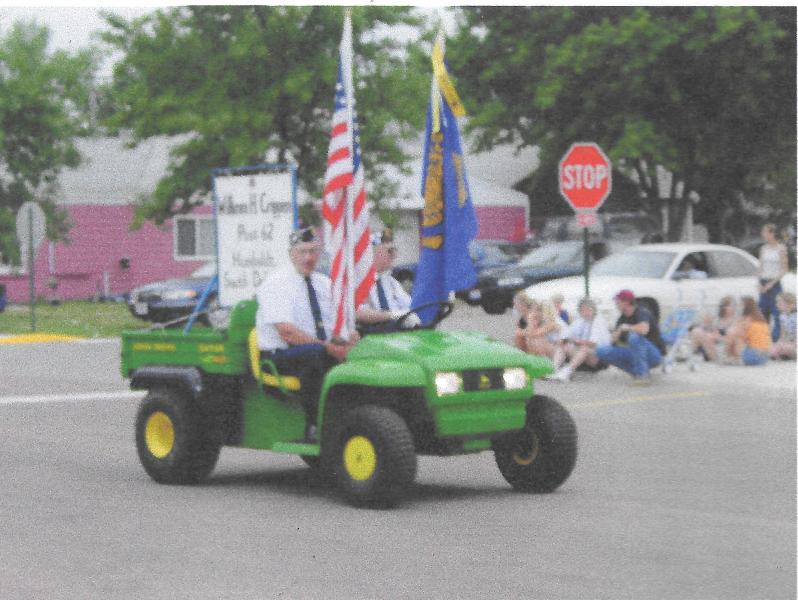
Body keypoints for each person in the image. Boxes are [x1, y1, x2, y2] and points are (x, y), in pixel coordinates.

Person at [255, 226, 358, 442]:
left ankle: (358, 422)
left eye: (313, 251)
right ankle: (315, 426)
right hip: (279, 356)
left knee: (360, 350)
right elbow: (287, 333)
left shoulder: (325, 284)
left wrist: (348, 338)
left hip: (317, 349)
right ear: (291, 254)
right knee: (315, 355)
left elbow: (337, 324)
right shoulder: (276, 284)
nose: (308, 258)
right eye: (302, 252)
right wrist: (329, 347)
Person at [595, 289, 665, 385]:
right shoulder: (622, 318)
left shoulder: (642, 312)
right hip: (634, 353)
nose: (616, 304)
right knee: (601, 350)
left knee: (634, 337)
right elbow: (612, 341)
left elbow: (644, 330)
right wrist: (619, 330)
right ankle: (636, 372)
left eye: (618, 302)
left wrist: (628, 327)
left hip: (653, 354)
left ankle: (642, 375)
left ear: (626, 302)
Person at [355, 228, 416, 331]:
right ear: (374, 252)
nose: (394, 255)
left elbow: (410, 306)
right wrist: (392, 315)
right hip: (370, 334)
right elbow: (357, 313)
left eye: (394, 251)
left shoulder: (391, 282)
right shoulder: (358, 282)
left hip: (396, 333)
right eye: (390, 251)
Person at [550, 297, 611, 381]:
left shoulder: (598, 321)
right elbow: (566, 334)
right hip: (584, 357)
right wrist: (563, 340)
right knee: (564, 345)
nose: (586, 312)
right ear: (579, 311)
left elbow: (593, 343)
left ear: (594, 310)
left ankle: (566, 373)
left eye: (588, 309)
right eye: (583, 310)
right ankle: (553, 369)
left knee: (585, 347)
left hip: (600, 359)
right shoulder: (580, 321)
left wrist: (575, 341)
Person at [758, 224, 788, 341]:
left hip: (774, 283)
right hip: (763, 282)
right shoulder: (763, 249)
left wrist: (772, 283)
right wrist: (759, 282)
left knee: (777, 312)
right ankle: (763, 338)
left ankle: (776, 339)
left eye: (765, 232)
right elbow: (760, 267)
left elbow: (784, 269)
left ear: (772, 234)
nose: (763, 235)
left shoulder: (781, 249)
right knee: (763, 311)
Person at [724, 296, 771, 366]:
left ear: (745, 307)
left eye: (740, 305)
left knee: (736, 337)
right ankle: (733, 358)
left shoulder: (746, 319)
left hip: (753, 357)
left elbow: (732, 333)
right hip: (765, 358)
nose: (738, 307)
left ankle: (732, 358)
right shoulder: (760, 318)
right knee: (738, 336)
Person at [690, 296, 737, 362]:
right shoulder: (717, 320)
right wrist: (707, 328)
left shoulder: (735, 321)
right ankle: (690, 356)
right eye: (725, 306)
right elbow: (710, 329)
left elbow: (732, 339)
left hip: (721, 345)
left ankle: (715, 359)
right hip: (709, 342)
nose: (727, 308)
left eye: (730, 306)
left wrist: (717, 337)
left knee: (701, 334)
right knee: (696, 331)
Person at [770, 292, 796, 360]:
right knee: (773, 349)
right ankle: (785, 354)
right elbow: (783, 333)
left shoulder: (795, 316)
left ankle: (788, 354)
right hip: (790, 340)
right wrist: (779, 343)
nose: (777, 304)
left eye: (780, 302)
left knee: (788, 348)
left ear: (790, 304)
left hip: (795, 341)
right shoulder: (782, 316)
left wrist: (793, 343)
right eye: (777, 302)